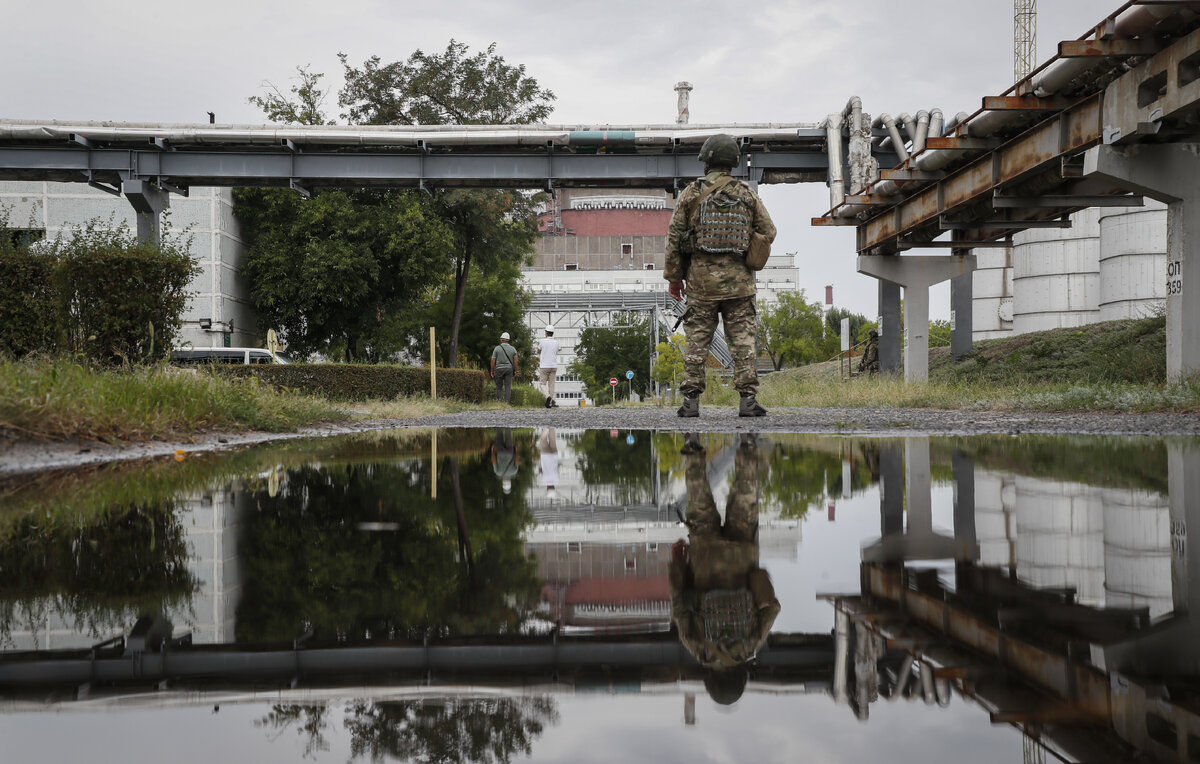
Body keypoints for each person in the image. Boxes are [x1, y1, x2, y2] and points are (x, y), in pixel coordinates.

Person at [665, 133, 777, 418]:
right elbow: (769, 231)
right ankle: (748, 401)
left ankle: (691, 402)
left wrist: (674, 279)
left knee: (697, 341)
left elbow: (675, 238)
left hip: (701, 284)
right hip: (740, 284)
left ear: (707, 161)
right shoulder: (746, 193)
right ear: (733, 162)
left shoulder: (691, 193)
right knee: (742, 341)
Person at [669, 433, 780, 706]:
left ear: (741, 677)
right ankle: (693, 446)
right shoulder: (699, 650)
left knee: (746, 495)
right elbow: (679, 605)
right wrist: (678, 564)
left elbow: (772, 608)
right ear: (711, 681)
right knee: (699, 499)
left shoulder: (751, 645)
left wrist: (757, 578)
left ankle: (748, 443)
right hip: (705, 555)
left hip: (742, 555)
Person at [490, 331, 519, 403]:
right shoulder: (513, 349)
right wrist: (515, 370)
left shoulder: (497, 348)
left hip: (499, 369)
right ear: (508, 340)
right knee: (508, 387)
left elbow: (493, 361)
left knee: (499, 387)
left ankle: (499, 402)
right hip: (509, 369)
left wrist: (492, 370)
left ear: (501, 339)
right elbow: (516, 361)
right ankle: (507, 403)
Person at [537, 325, 559, 408]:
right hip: (553, 365)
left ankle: (547, 396)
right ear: (552, 333)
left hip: (544, 366)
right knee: (551, 385)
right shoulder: (556, 342)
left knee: (542, 383)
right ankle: (550, 403)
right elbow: (556, 352)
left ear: (546, 333)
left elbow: (539, 351)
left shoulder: (542, 341)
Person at [491, 427, 518, 495]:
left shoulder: (514, 472)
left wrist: (516, 451)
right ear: (503, 483)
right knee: (499, 436)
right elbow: (494, 461)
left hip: (510, 452)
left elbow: (516, 461)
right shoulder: (498, 473)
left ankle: (508, 422)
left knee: (508, 436)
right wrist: (493, 452)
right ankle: (499, 422)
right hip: (500, 453)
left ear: (510, 482)